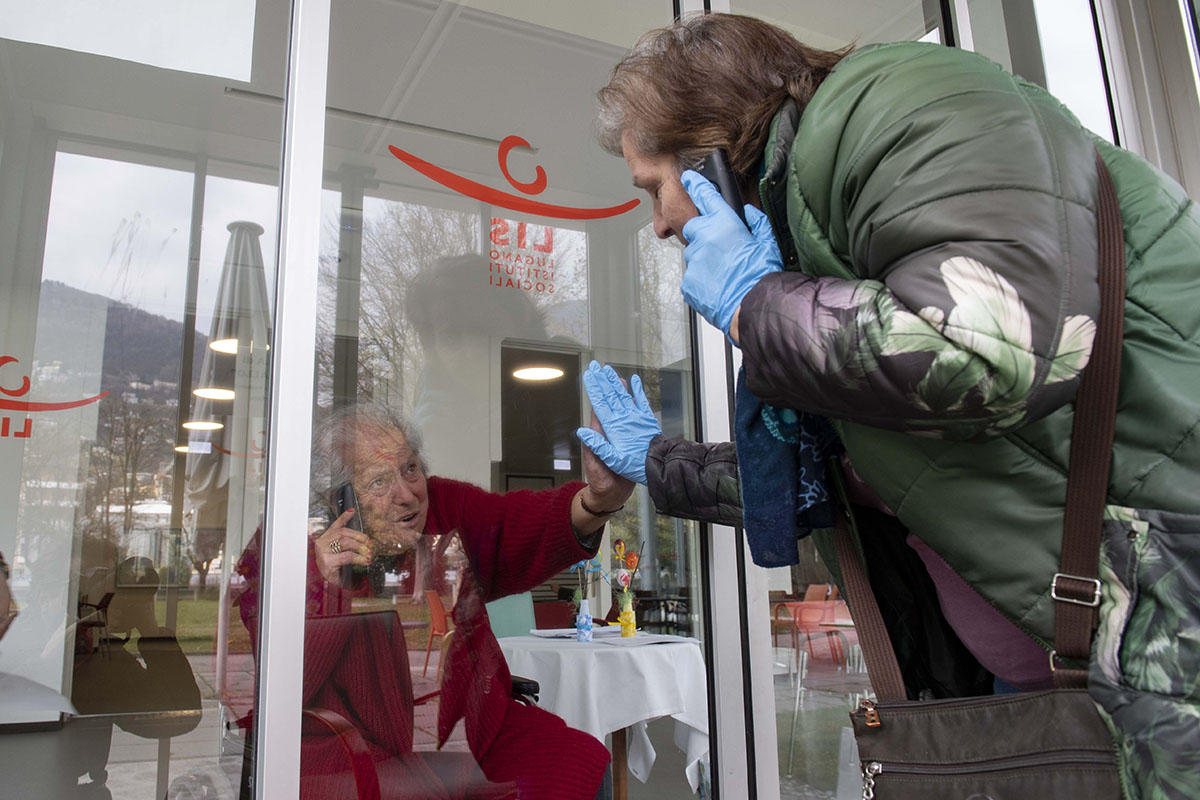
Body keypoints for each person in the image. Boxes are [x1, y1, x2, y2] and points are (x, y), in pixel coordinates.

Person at [579, 12, 1200, 798]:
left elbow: (990, 352)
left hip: (1163, 656)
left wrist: (756, 307)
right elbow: (830, 480)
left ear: (712, 149)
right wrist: (657, 462)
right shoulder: (809, 245)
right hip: (1042, 681)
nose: (661, 223)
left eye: (654, 187)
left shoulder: (901, 101)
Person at [235, 402, 630, 800]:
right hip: (349, 749)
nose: (407, 496)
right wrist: (320, 581)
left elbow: (511, 524)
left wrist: (597, 500)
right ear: (336, 499)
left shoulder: (442, 509)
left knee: (580, 761)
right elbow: (276, 677)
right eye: (378, 482)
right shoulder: (288, 541)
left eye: (410, 469)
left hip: (472, 730)